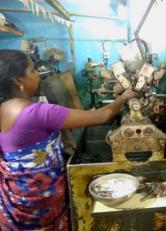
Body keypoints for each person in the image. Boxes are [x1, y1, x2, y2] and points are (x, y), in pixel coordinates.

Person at [0, 49, 136, 230]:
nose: (38, 74)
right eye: (32, 70)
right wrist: (124, 97)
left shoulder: (4, 107)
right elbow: (102, 116)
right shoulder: (38, 112)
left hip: (16, 200)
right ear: (18, 80)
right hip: (43, 202)